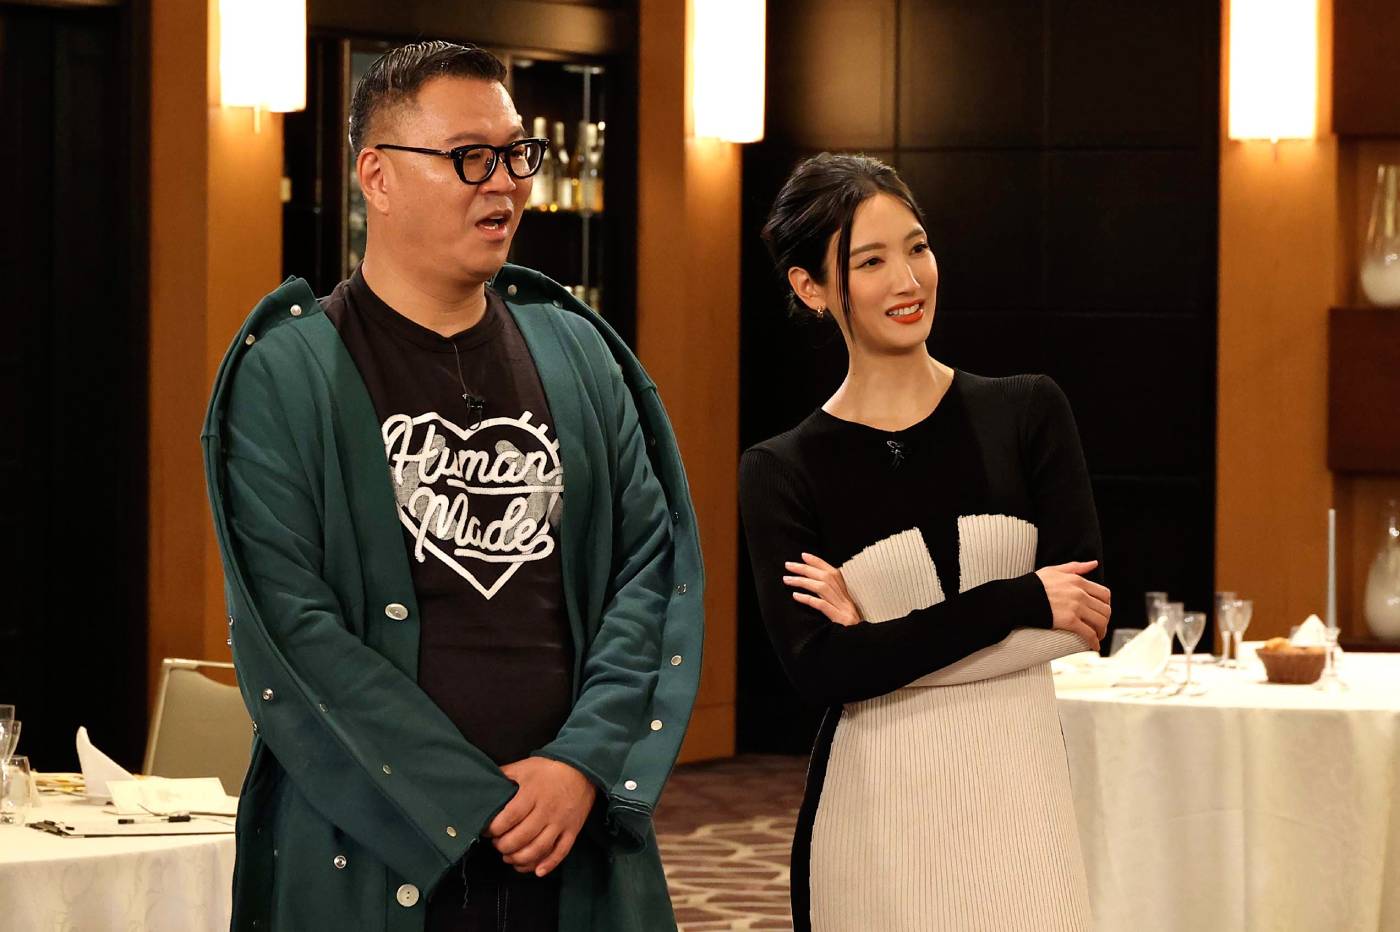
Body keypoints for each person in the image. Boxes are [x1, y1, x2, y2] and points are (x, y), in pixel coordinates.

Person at [202, 41, 703, 932]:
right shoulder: (286, 372)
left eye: (517, 154)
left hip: (570, 832)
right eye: (470, 156)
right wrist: (468, 799)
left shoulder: (580, 354)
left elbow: (646, 573)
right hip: (367, 843)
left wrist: (581, 764)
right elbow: (292, 626)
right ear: (377, 176)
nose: (504, 183)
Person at [738, 153, 1111, 932]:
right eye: (871, 261)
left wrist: (878, 649)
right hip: (874, 814)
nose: (908, 280)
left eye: (917, 247)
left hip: (1024, 803)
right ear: (811, 288)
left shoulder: (1027, 413)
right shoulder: (782, 469)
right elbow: (822, 673)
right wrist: (1020, 598)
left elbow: (1081, 622)